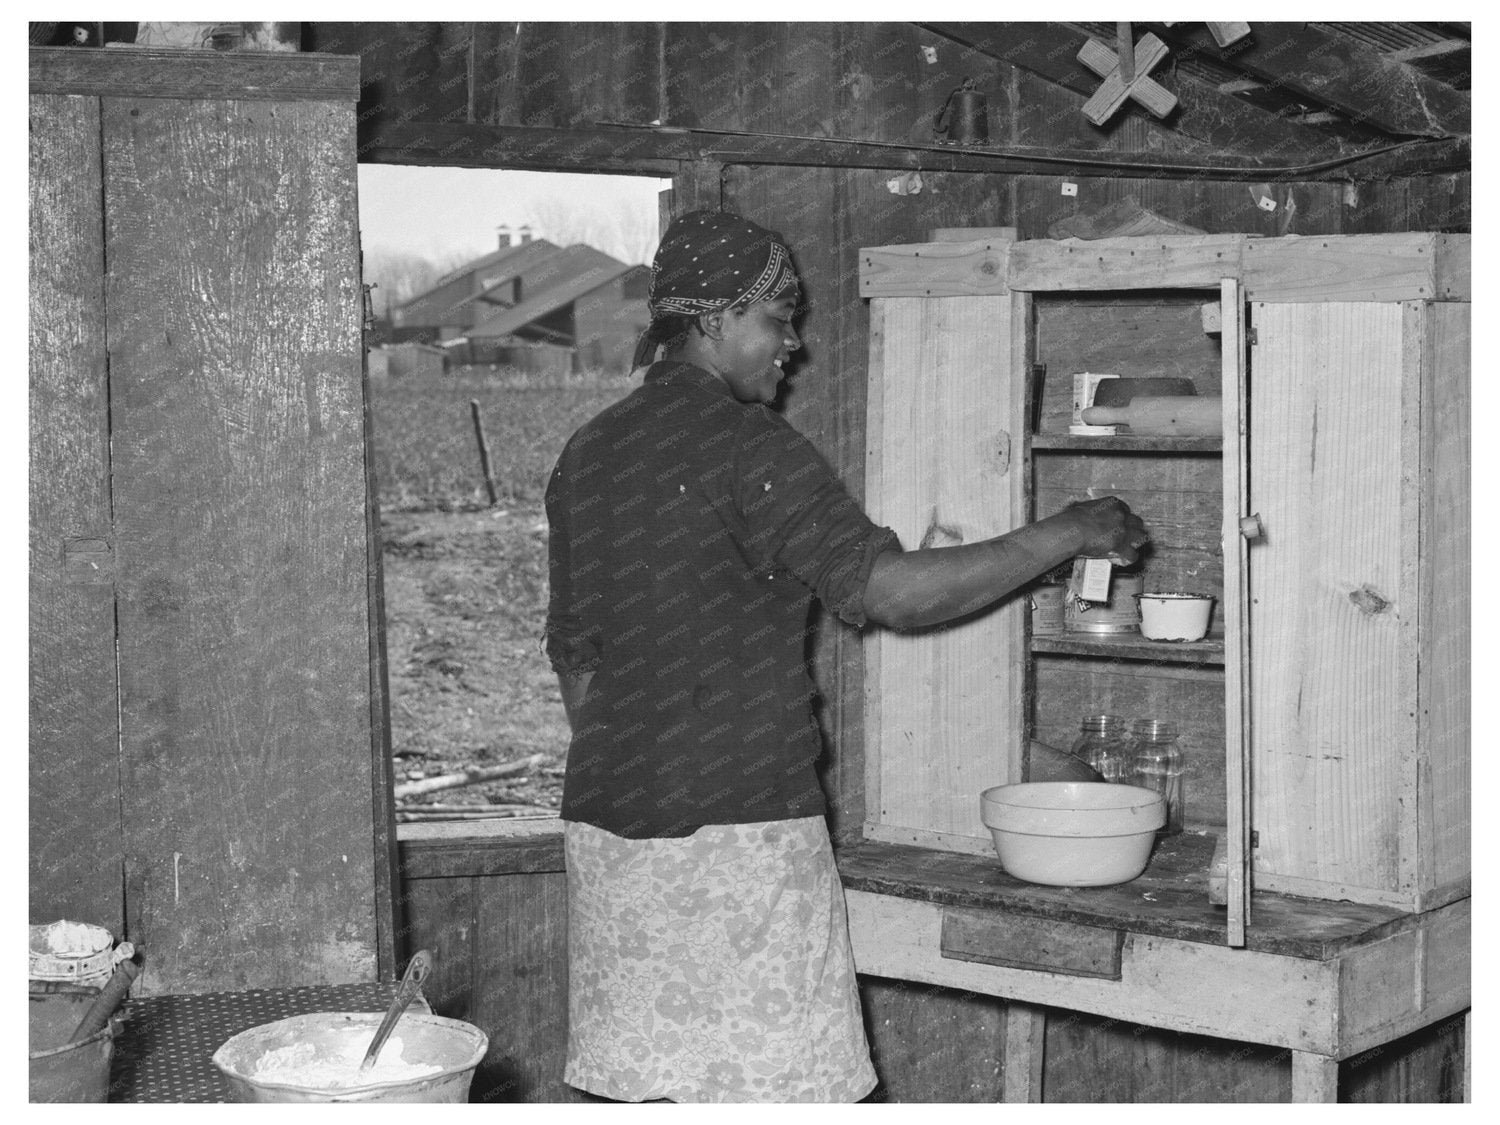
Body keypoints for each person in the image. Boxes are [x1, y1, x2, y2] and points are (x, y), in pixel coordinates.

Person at [544, 210, 1145, 1103]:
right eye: (776, 317)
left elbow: (577, 663)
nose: (792, 344)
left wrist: (654, 761)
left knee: (654, 1096)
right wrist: (1069, 530)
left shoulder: (589, 451)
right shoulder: (749, 446)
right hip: (742, 841)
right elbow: (888, 592)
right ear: (711, 321)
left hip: (613, 838)